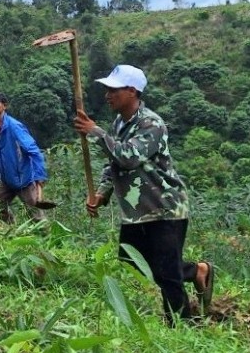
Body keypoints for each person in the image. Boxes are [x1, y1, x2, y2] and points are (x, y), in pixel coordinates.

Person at [73, 64, 213, 323]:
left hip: (165, 207)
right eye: (107, 89)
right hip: (137, 210)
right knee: (132, 260)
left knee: (167, 274)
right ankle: (196, 271)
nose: (107, 95)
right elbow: (113, 164)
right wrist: (102, 193)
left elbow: (128, 157)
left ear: (132, 91)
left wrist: (95, 132)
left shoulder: (152, 123)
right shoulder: (119, 123)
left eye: (113, 89)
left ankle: (181, 325)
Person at [0, 91, 48, 222]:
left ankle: (47, 239)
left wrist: (40, 176)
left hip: (25, 181)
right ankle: (10, 233)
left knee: (37, 219)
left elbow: (34, 151)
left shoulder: (15, 127)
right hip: (6, 181)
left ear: (4, 106)